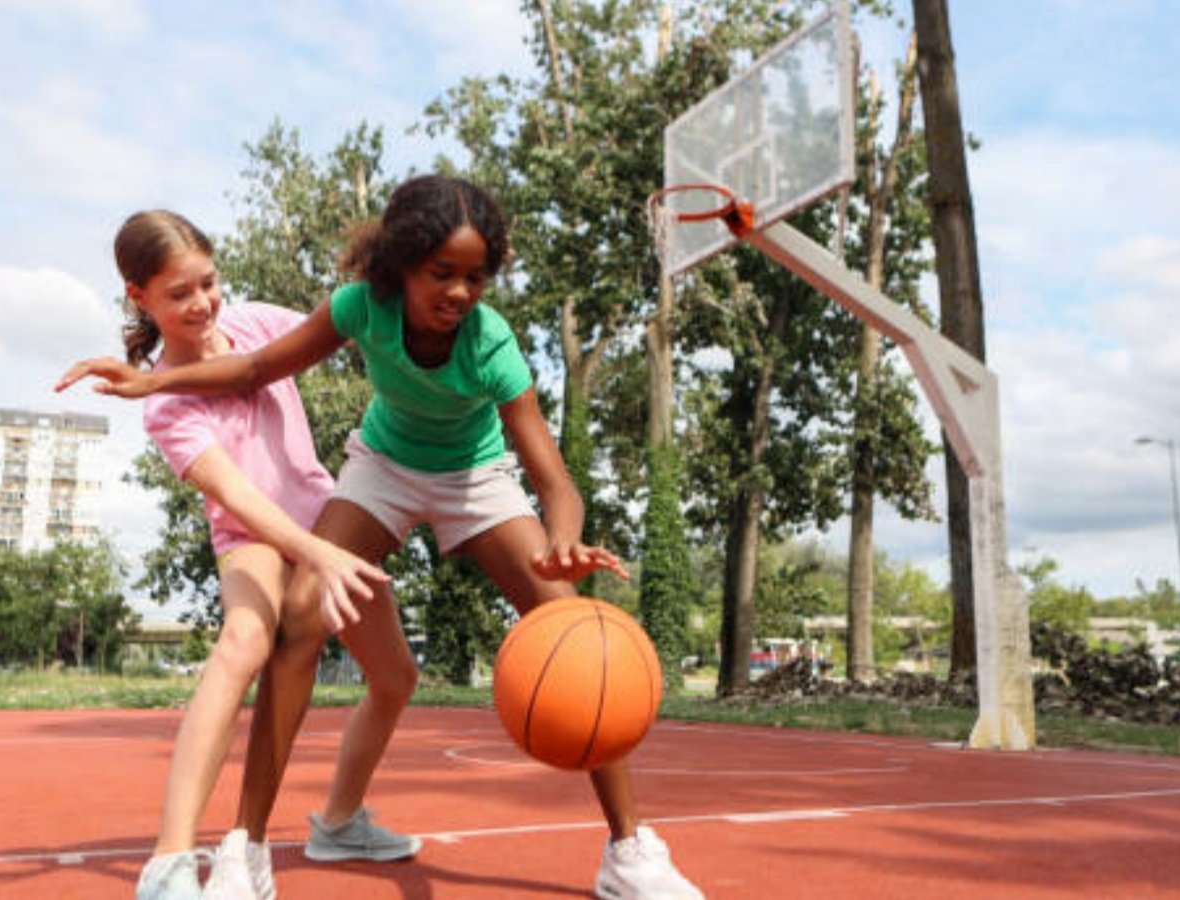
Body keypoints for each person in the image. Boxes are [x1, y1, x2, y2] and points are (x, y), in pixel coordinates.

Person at [59, 176, 704, 899]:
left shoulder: (492, 344)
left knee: (571, 621)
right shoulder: (362, 307)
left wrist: (562, 540)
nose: (460, 292)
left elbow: (555, 481)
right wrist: (150, 384)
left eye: (476, 277)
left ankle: (631, 851)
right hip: (383, 466)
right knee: (300, 617)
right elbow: (256, 367)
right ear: (400, 266)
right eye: (442, 274)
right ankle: (245, 849)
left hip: (474, 474)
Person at [56, 210, 393, 900]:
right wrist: (315, 555)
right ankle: (171, 861)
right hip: (253, 540)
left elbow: (346, 320)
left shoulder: (262, 325)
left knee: (395, 677)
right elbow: (238, 497)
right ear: (138, 296)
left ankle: (339, 821)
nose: (203, 303)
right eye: (179, 294)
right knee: (243, 640)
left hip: (326, 519)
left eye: (208, 282)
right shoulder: (164, 407)